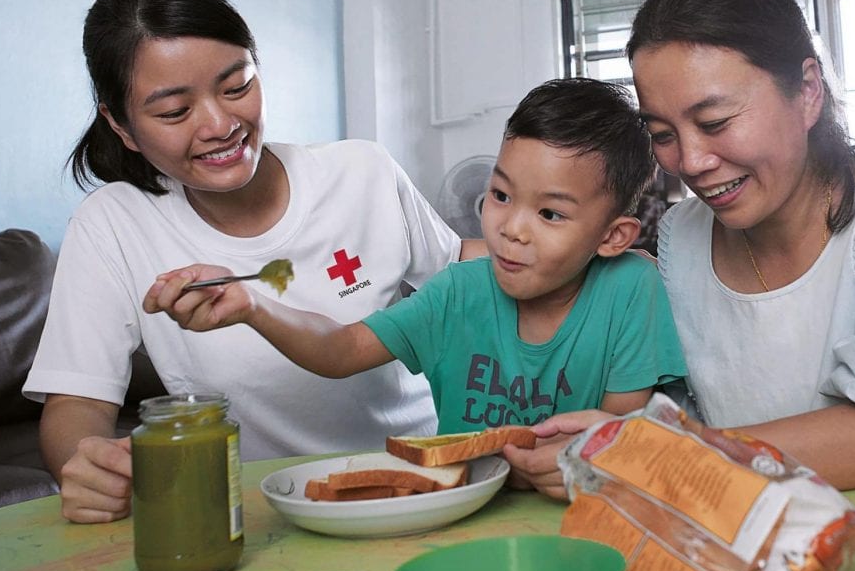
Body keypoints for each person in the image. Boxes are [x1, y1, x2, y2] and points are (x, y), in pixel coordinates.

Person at [505, 0, 855, 530]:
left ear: (807, 92)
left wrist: (642, 453)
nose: (692, 163)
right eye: (662, 135)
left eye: (715, 121)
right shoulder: (683, 235)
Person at [26, 0, 478, 523]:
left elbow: (466, 275)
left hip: (417, 480)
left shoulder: (362, 171)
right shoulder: (113, 224)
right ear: (120, 126)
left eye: (237, 86)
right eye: (175, 111)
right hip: (258, 510)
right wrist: (90, 466)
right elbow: (79, 401)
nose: (220, 124)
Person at [147, 78, 688, 443]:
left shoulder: (629, 286)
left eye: (550, 214)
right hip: (463, 509)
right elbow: (343, 348)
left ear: (614, 237)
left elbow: (619, 428)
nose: (511, 229)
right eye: (500, 196)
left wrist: (570, 460)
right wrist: (251, 305)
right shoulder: (457, 292)